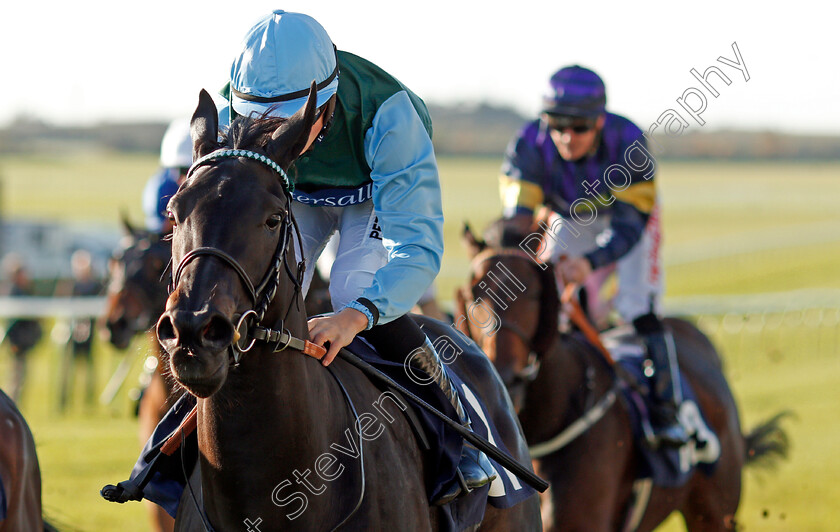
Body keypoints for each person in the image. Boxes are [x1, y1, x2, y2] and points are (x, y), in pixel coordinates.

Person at [220, 10, 495, 503]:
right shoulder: (231, 118)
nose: (272, 139)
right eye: (257, 124)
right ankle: (173, 440)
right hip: (296, 196)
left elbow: (418, 248)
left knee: (352, 287)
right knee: (257, 285)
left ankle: (454, 430)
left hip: (370, 192)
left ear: (323, 106)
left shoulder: (389, 116)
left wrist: (353, 317)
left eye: (287, 127)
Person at [499, 65, 688, 448]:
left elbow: (630, 228)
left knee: (637, 306)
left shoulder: (629, 142)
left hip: (627, 216)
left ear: (600, 122)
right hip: (569, 215)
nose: (567, 137)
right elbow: (517, 225)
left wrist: (590, 262)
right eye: (557, 125)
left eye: (580, 127)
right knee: (549, 294)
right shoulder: (528, 145)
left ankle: (667, 413)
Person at [1, 255, 43, 404]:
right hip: (17, 343)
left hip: (23, 343)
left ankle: (15, 406)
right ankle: (12, 406)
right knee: (15, 377)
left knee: (20, 376)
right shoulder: (15, 292)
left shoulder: (25, 291)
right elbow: (12, 322)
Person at [142, 118, 193, 234]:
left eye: (186, 171)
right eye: (179, 170)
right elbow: (159, 227)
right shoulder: (162, 186)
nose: (180, 179)